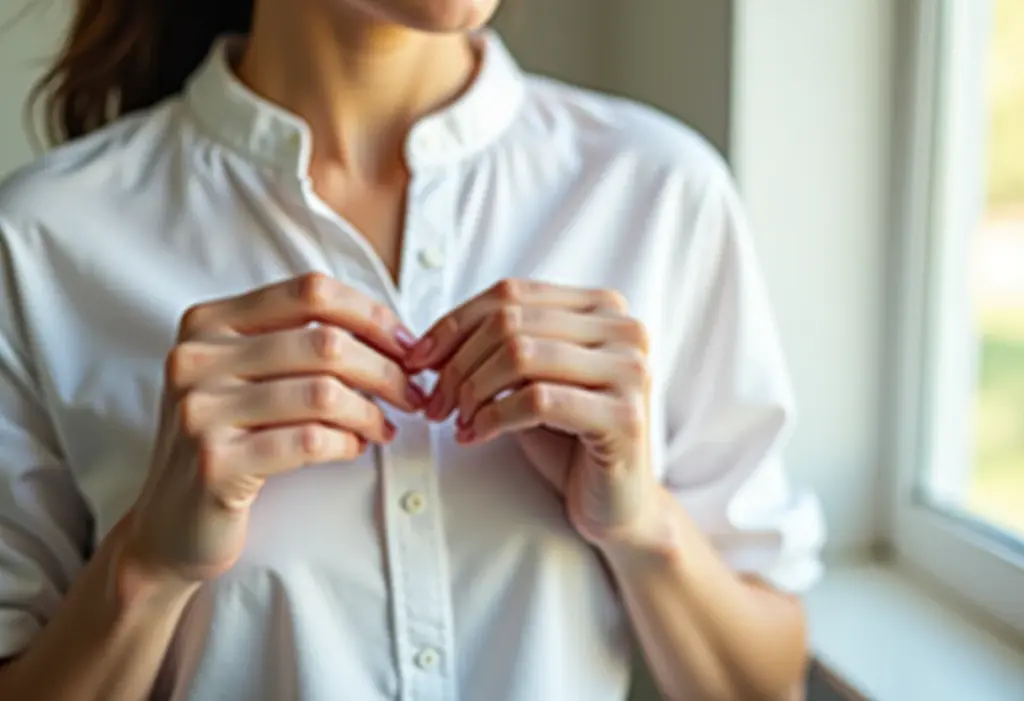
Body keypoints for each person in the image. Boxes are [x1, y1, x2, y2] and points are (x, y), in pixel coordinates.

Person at [0, 0, 825, 699]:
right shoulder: (41, 241)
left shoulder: (662, 196)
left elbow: (765, 681)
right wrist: (146, 567)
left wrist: (645, 524)